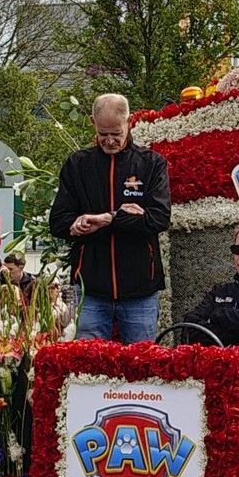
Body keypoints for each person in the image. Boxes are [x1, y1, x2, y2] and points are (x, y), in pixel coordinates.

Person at [48, 93, 171, 344]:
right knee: (89, 367)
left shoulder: (152, 163)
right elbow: (58, 221)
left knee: (141, 365)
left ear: (130, 122)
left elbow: (158, 219)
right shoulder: (77, 165)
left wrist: (109, 219)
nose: (110, 140)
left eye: (116, 133)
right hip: (91, 291)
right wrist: (76, 224)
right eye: (103, 134)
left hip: (140, 291)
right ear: (93, 122)